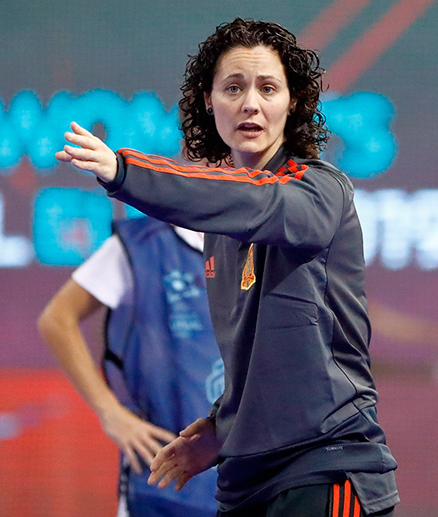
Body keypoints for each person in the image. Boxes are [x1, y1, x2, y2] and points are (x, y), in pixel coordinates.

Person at [56, 18, 399, 516]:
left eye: (268, 88)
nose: (250, 104)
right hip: (244, 482)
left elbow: (252, 201)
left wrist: (123, 171)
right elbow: (255, 357)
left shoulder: (320, 190)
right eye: (233, 88)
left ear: (295, 102)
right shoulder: (221, 228)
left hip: (323, 468)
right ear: (207, 102)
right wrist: (222, 427)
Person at [37, 216, 223, 517]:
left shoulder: (257, 235)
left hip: (243, 481)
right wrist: (111, 413)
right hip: (161, 486)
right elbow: (57, 319)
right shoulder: (142, 243)